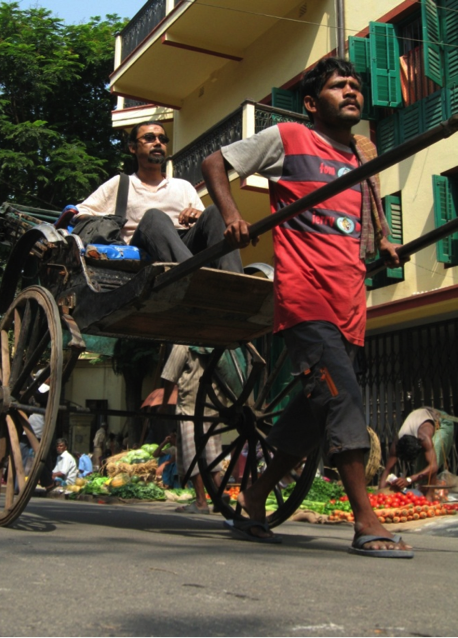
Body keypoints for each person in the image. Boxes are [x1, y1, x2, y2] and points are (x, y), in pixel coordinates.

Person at [201, 57, 411, 557]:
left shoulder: (360, 156)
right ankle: (365, 520)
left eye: (356, 85)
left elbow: (370, 210)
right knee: (342, 399)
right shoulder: (290, 137)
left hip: (350, 303)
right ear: (314, 103)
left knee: (313, 412)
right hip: (305, 296)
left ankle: (254, 493)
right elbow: (215, 163)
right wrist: (231, 214)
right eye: (340, 86)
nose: (352, 91)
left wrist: (383, 241)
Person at [74, 120, 243, 273]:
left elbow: (206, 221)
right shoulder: (121, 183)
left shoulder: (182, 185)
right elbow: (80, 212)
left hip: (183, 244)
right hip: (143, 248)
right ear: (133, 148)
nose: (157, 143)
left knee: (215, 211)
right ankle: (195, 277)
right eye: (149, 138)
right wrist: (112, 223)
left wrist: (197, 215)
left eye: (162, 139)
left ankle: (235, 279)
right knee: (154, 217)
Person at [160, 345, 226, 514]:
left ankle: (201, 501)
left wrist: (165, 402)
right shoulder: (216, 343)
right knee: (211, 453)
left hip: (190, 407)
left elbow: (169, 376)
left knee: (192, 455)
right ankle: (219, 492)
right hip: (214, 405)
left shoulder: (183, 345)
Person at [379, 407, 455, 497]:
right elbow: (387, 469)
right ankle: (424, 492)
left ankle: (431, 496)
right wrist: (379, 494)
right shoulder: (397, 443)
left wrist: (409, 480)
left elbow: (433, 466)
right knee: (421, 469)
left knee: (435, 453)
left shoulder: (424, 436)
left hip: (442, 421)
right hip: (422, 417)